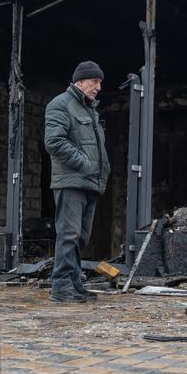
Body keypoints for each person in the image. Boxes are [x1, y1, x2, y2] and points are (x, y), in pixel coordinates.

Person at [44, 61, 110, 303]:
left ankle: (73, 282)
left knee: (81, 236)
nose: (98, 87)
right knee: (68, 234)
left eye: (100, 82)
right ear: (80, 81)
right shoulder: (60, 104)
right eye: (94, 82)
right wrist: (84, 163)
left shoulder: (89, 109)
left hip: (89, 183)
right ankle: (60, 286)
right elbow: (54, 142)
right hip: (71, 181)